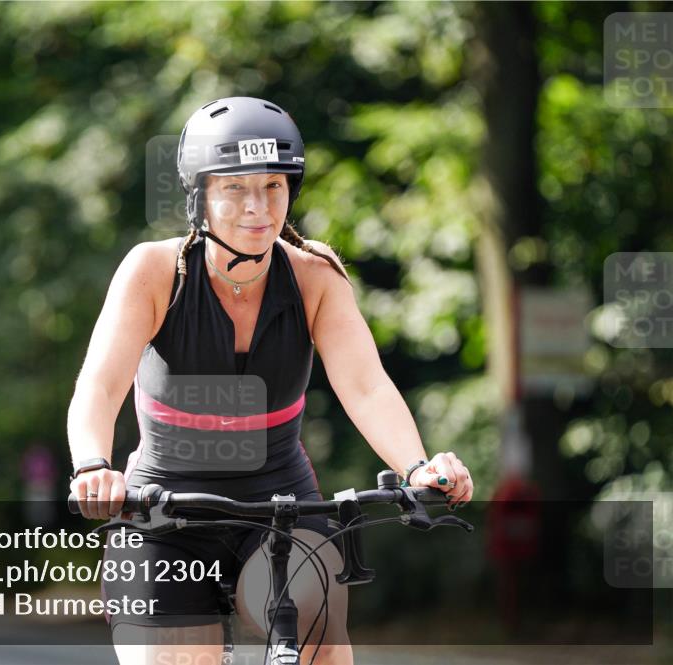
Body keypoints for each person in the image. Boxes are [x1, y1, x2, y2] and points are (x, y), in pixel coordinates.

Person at [67, 96, 475, 665]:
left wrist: (417, 467)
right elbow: (100, 384)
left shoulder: (314, 277)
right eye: (235, 188)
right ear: (199, 196)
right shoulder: (154, 271)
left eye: (273, 187)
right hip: (163, 510)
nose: (257, 207)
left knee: (319, 641)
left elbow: (365, 385)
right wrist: (92, 464)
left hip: (280, 504)